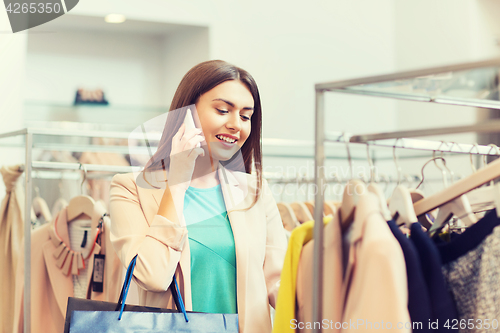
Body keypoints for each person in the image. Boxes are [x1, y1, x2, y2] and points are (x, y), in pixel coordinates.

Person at [109, 60, 288, 332]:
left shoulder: (255, 191)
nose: (235, 124)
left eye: (245, 116)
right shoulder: (130, 188)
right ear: (187, 113)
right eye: (222, 110)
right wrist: (178, 183)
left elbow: (279, 282)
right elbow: (152, 275)